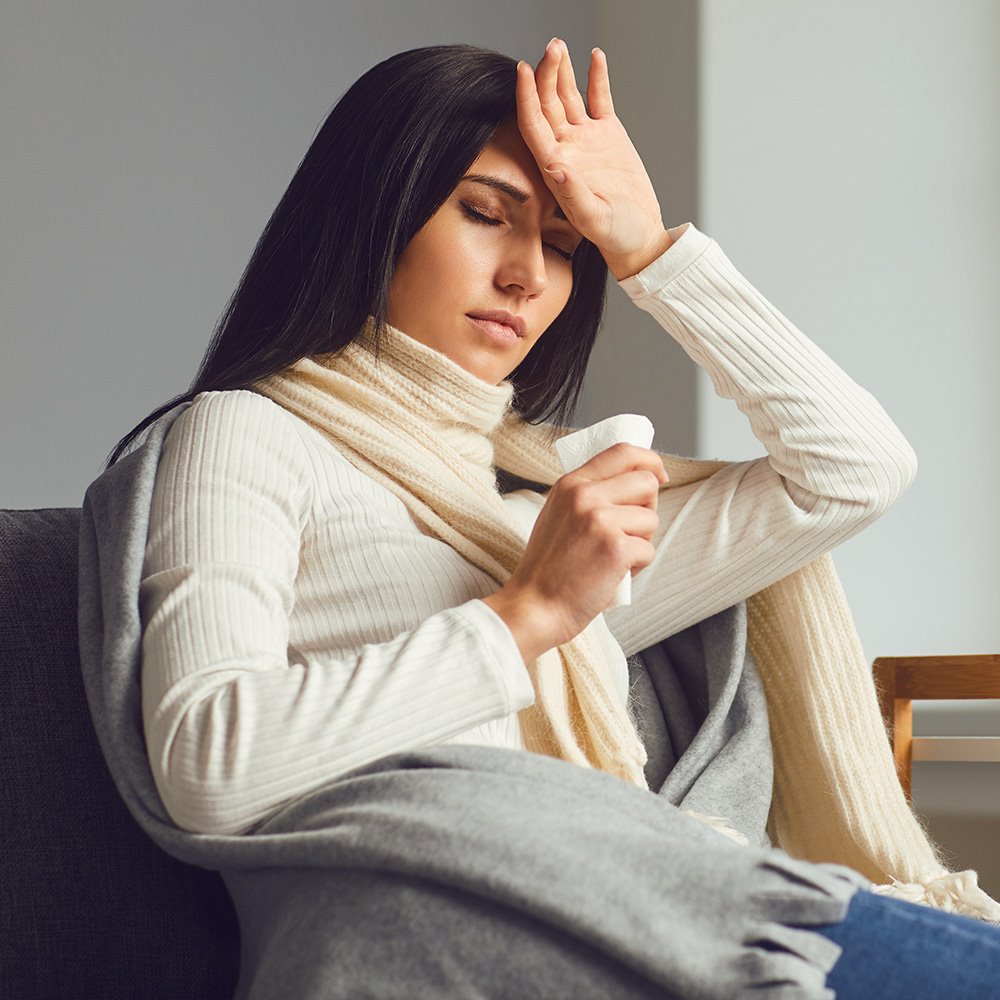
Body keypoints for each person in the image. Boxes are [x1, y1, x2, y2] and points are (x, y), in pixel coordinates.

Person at [102, 38, 1000, 999]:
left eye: (567, 246)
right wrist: (529, 612)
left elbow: (853, 471)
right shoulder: (246, 435)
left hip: (656, 900)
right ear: (375, 215)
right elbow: (208, 760)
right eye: (486, 214)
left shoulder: (527, 512)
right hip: (491, 930)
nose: (530, 275)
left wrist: (649, 246)